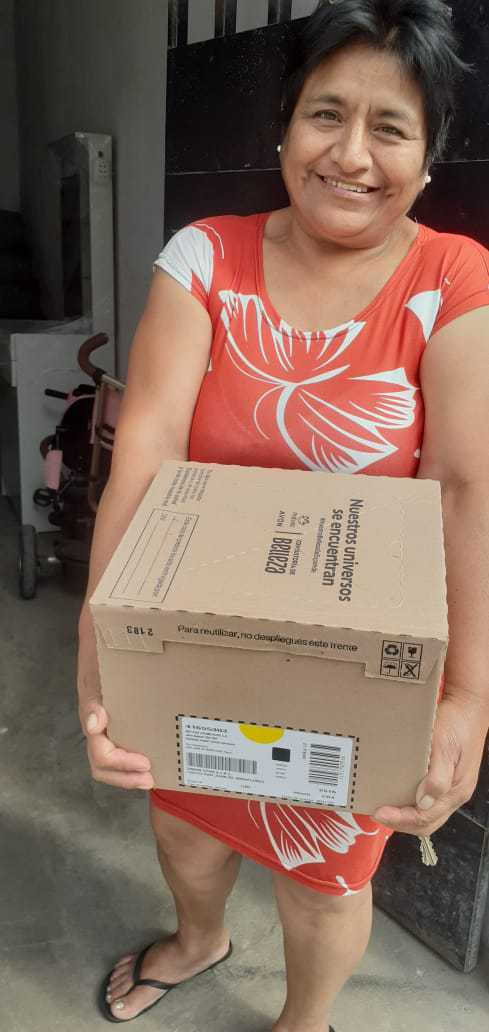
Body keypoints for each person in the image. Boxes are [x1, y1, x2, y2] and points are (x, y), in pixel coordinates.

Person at [77, 1, 489, 1029]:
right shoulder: (203, 259)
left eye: (389, 128)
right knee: (185, 826)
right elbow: (148, 454)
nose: (350, 155)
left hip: (357, 669)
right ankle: (200, 939)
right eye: (325, 114)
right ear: (284, 127)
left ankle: (304, 1021)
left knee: (323, 876)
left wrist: (468, 696)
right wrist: (100, 647)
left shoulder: (454, 279)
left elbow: (464, 485)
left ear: (428, 156)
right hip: (196, 641)